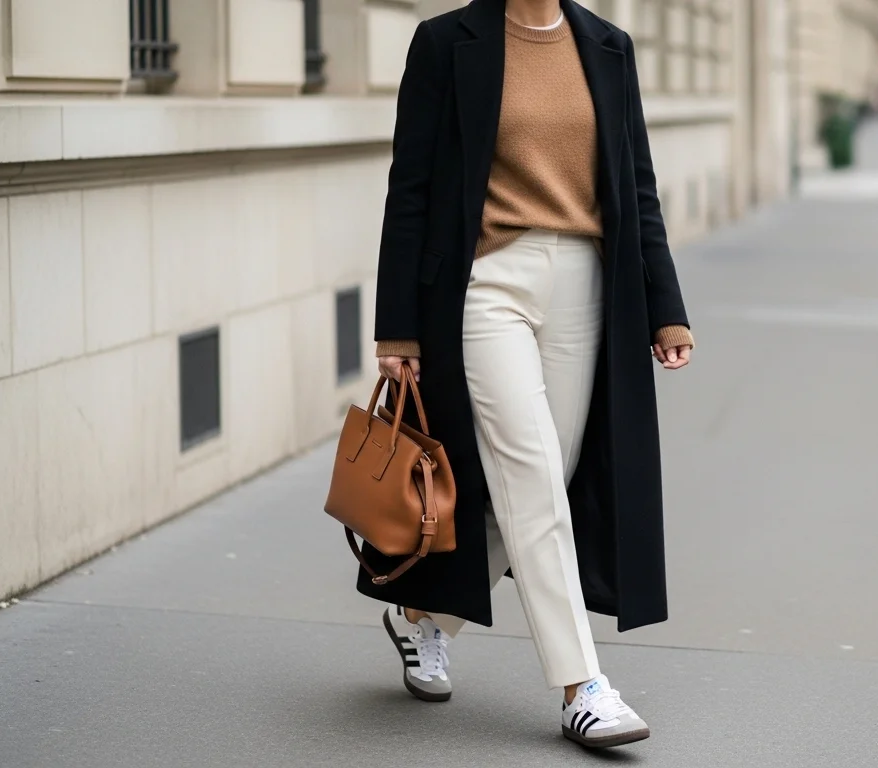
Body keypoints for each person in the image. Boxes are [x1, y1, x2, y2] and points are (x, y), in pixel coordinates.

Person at [362, 0, 694, 750]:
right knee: (533, 471)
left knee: (547, 475)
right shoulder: (448, 43)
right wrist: (398, 324)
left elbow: (636, 184)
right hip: (486, 285)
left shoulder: (606, 47)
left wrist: (665, 306)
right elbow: (409, 186)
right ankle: (583, 686)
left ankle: (423, 617)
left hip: (584, 282)